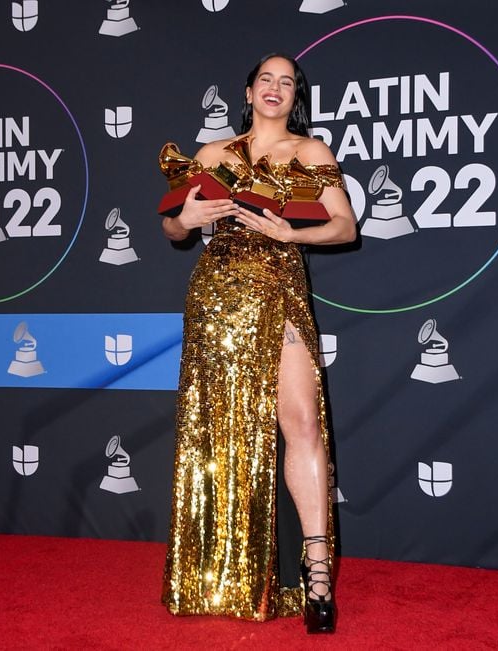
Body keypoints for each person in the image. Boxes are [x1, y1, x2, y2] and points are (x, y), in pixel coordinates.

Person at [160, 53, 356, 634]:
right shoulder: (211, 153)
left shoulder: (310, 151)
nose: (275, 88)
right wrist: (188, 216)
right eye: (265, 79)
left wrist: (290, 231)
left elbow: (345, 226)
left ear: (296, 97)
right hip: (217, 294)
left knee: (300, 422)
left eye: (287, 82)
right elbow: (172, 228)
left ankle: (317, 572)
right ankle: (216, 573)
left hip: (280, 287)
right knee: (217, 427)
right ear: (248, 91)